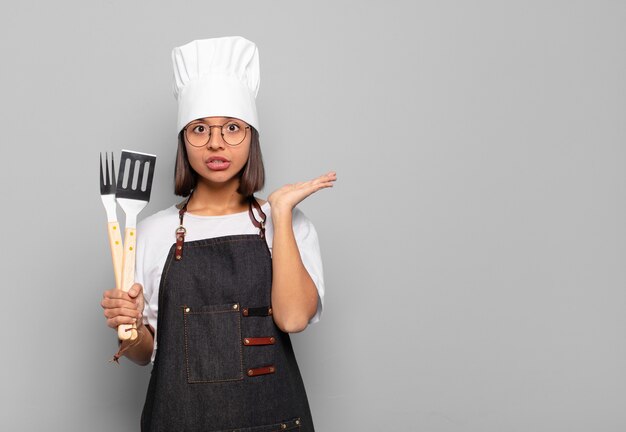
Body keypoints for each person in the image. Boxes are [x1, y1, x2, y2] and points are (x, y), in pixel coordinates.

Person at [100, 36, 335, 431]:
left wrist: (279, 210)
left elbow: (294, 318)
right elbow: (145, 353)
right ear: (184, 141)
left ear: (252, 137)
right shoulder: (153, 231)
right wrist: (134, 327)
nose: (215, 143)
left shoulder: (288, 223)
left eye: (231, 127)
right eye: (199, 129)